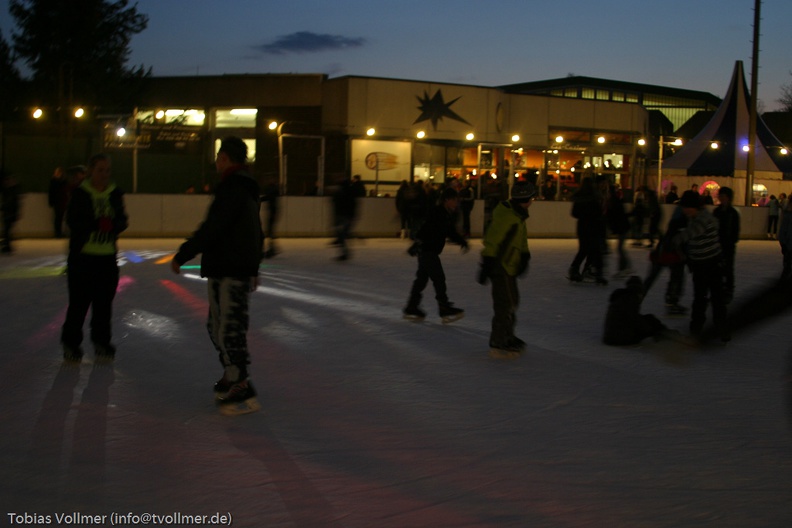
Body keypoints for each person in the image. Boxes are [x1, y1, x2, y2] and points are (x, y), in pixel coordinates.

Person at [171, 136, 263, 416]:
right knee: (217, 325)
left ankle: (241, 382)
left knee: (228, 328)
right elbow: (255, 231)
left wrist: (184, 253)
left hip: (231, 269)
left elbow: (214, 227)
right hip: (228, 266)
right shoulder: (238, 187)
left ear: (225, 158)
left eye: (218, 156)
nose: (216, 161)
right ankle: (232, 372)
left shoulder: (235, 188)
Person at [60, 154, 128, 362]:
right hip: (83, 259)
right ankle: (71, 344)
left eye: (107, 170)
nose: (105, 174)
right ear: (91, 171)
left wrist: (114, 225)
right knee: (79, 304)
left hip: (106, 259)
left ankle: (101, 342)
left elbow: (122, 220)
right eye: (100, 170)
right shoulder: (81, 193)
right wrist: (97, 224)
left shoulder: (115, 193)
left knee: (103, 305)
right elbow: (74, 221)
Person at [478, 181, 536, 359]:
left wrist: (525, 256)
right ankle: (499, 339)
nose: (532, 201)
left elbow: (521, 239)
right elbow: (492, 240)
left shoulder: (518, 215)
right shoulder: (507, 216)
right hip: (500, 266)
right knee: (505, 305)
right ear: (525, 199)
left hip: (509, 265)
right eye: (531, 198)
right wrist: (487, 264)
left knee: (512, 302)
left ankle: (507, 335)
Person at [403, 186, 468, 323]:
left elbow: (449, 231)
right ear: (446, 200)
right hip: (427, 251)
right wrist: (417, 244)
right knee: (438, 278)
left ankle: (412, 306)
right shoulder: (438, 213)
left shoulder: (444, 213)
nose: (457, 203)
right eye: (454, 200)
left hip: (427, 250)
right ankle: (444, 308)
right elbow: (425, 228)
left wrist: (461, 241)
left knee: (421, 279)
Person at [672, 190, 728, 341]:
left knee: (716, 298)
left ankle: (721, 329)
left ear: (693, 206)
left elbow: (692, 233)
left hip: (712, 264)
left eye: (685, 207)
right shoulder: (693, 217)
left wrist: (676, 240)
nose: (683, 210)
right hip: (699, 265)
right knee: (700, 298)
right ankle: (696, 328)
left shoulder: (703, 218)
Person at [603, 276, 668, 346]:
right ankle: (667, 335)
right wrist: (652, 330)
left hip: (609, 337)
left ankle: (665, 333)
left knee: (649, 318)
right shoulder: (631, 299)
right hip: (620, 339)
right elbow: (634, 320)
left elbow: (630, 317)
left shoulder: (622, 297)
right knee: (651, 321)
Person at [567, 178, 607, 284]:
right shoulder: (595, 198)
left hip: (583, 226)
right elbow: (599, 213)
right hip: (594, 226)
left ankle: (575, 270)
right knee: (595, 249)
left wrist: (583, 216)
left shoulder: (579, 198)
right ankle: (594, 271)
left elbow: (574, 213)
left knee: (584, 249)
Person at [713, 186, 740, 303]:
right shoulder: (716, 212)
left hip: (728, 246)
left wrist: (731, 242)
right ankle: (718, 290)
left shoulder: (733, 213)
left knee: (728, 269)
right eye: (720, 196)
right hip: (716, 246)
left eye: (723, 196)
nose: (721, 198)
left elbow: (735, 230)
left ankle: (728, 290)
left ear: (728, 198)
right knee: (716, 269)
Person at [332, 175, 357, 260]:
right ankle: (344, 249)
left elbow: (337, 202)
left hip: (343, 214)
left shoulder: (341, 190)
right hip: (347, 215)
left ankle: (345, 252)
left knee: (341, 233)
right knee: (342, 232)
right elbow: (353, 203)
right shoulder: (349, 190)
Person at [1, 172, 21, 254]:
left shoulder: (11, 192)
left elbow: (10, 203)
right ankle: (7, 245)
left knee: (7, 231)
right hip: (10, 213)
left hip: (9, 214)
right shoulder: (12, 191)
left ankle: (7, 246)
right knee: (7, 231)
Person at [260, 177, 279, 258]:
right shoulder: (273, 189)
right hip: (272, 211)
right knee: (270, 230)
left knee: (270, 230)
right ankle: (272, 248)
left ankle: (272, 248)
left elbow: (268, 197)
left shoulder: (272, 189)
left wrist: (259, 199)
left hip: (272, 212)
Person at [48, 166, 69, 238]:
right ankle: (58, 232)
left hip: (61, 201)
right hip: (58, 201)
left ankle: (58, 232)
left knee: (60, 217)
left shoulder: (60, 181)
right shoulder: (55, 181)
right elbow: (52, 192)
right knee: (58, 217)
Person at [779, 197, 792, 281]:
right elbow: (783, 231)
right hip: (789, 245)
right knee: (787, 266)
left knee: (787, 266)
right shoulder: (788, 215)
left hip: (788, 245)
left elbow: (782, 231)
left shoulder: (787, 215)